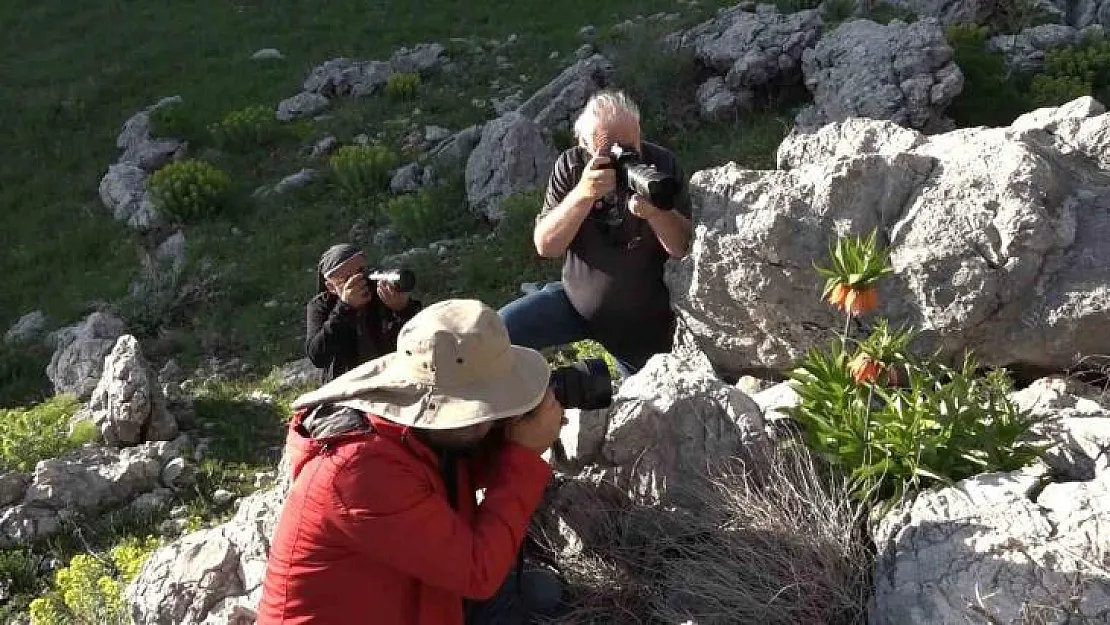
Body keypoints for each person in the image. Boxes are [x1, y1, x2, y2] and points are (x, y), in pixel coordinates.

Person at [257, 299, 568, 625]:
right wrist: (522, 456)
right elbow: (479, 573)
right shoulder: (358, 471)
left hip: (414, 598)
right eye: (487, 409)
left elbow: (453, 466)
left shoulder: (416, 432)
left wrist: (514, 435)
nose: (494, 418)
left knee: (541, 592)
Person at [498, 89, 694, 377]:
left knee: (653, 401)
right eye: (609, 152)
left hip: (644, 322)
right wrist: (582, 195)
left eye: (630, 148)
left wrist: (656, 212)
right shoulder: (572, 166)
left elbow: (682, 248)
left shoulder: (661, 166)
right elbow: (546, 245)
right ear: (585, 146)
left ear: (639, 133)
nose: (623, 159)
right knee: (498, 331)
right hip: (578, 302)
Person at [305, 243, 422, 383]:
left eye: (361, 272)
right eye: (348, 278)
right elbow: (318, 356)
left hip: (393, 376)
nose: (359, 281)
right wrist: (345, 307)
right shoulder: (322, 305)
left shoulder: (382, 291)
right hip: (346, 384)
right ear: (331, 287)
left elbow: (421, 340)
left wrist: (403, 309)